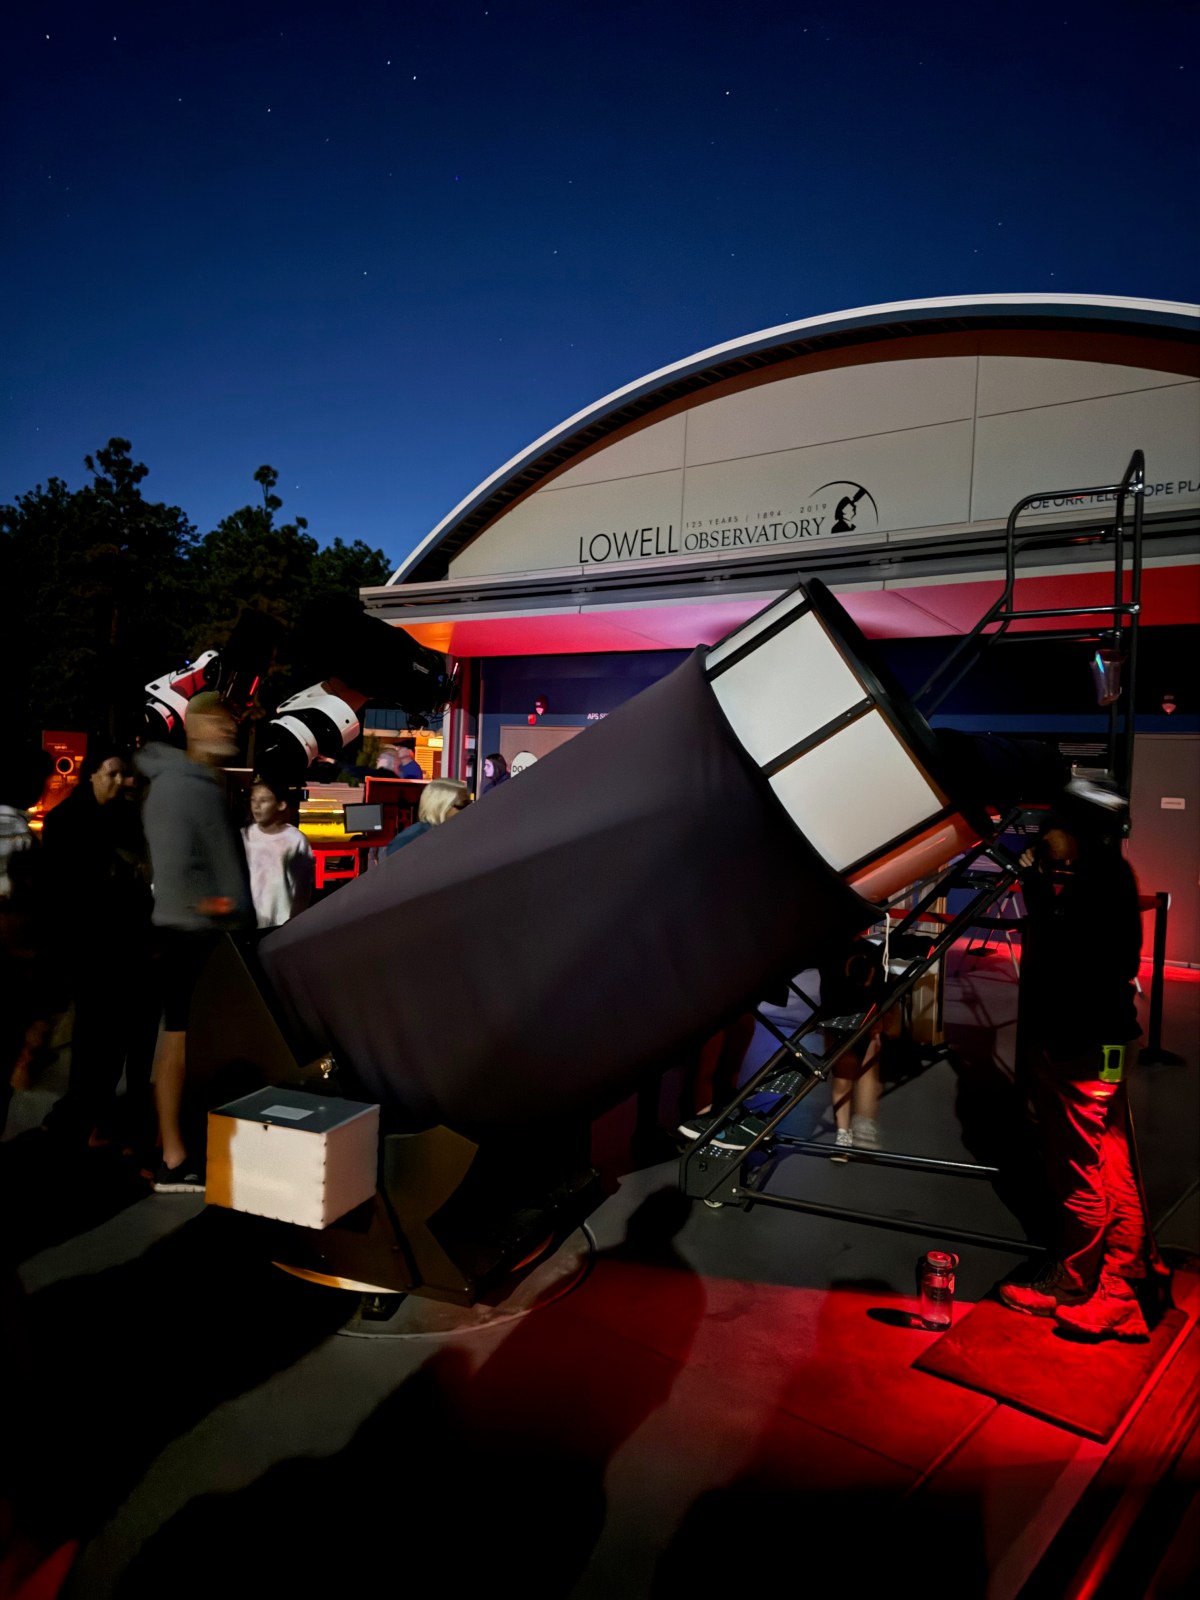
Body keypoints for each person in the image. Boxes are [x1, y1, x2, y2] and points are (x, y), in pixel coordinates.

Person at [999, 783, 1151, 1339]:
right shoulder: (1114, 876)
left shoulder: (1091, 884)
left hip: (1081, 1048)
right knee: (1110, 1156)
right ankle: (1121, 1285)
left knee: (1078, 1164)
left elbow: (1064, 959)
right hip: (1110, 1045)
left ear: (1078, 829)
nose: (1045, 840)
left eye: (1051, 829)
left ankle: (1074, 1283)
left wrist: (1036, 884)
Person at [135, 692, 252, 1192]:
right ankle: (175, 1156)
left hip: (192, 937)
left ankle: (173, 1148)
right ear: (197, 725)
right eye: (222, 723)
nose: (230, 731)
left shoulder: (194, 783)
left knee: (176, 1041)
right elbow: (179, 872)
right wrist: (224, 907)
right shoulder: (183, 788)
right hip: (192, 939)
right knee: (178, 1044)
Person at [39, 746, 158, 1150]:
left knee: (109, 1034)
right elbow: (62, 892)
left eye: (124, 774)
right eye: (112, 773)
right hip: (89, 944)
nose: (121, 781)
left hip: (122, 943)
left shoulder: (124, 818)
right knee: (93, 1032)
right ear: (90, 775)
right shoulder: (66, 820)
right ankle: (84, 1109)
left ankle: (94, 1109)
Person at [820, 936, 886, 1158]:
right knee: (843, 1077)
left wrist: (878, 1023)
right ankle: (843, 1133)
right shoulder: (830, 951)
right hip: (838, 1019)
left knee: (866, 1070)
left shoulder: (870, 952)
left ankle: (860, 1125)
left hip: (865, 1020)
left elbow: (880, 990)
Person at [241, 777, 314, 929]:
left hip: (281, 924)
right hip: (249, 922)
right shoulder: (244, 836)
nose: (257, 806)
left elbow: (303, 888)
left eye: (264, 800)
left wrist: (295, 920)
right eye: (253, 800)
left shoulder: (295, 840)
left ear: (281, 804)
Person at [384, 779, 469, 856]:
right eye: (463, 804)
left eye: (470, 803)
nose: (469, 808)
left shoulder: (455, 834)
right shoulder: (409, 841)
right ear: (441, 806)